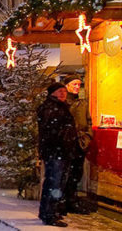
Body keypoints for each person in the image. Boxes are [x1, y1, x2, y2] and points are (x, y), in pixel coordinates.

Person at [37, 82, 77, 227]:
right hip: (56, 151)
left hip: (61, 150)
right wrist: (62, 139)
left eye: (64, 91)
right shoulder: (51, 108)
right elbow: (49, 131)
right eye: (60, 91)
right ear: (52, 93)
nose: (63, 93)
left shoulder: (61, 107)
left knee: (57, 182)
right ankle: (49, 214)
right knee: (55, 182)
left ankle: (50, 211)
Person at [64, 77, 94, 214]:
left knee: (76, 173)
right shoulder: (63, 102)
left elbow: (88, 122)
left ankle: (71, 200)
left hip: (80, 143)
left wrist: (87, 137)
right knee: (65, 173)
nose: (77, 86)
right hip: (66, 144)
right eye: (74, 84)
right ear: (67, 86)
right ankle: (63, 201)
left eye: (79, 84)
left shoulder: (82, 103)